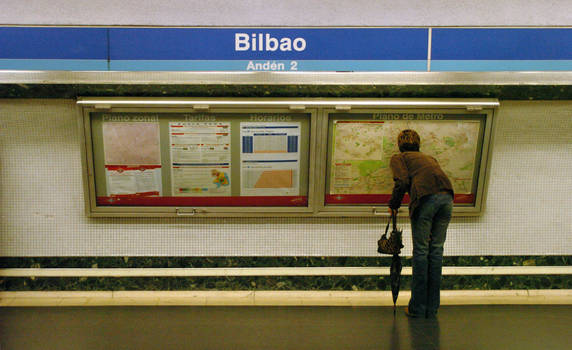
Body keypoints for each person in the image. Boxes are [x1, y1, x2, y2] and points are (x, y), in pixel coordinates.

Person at [388, 129, 454, 318]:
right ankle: (431, 308)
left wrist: (393, 205)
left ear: (400, 144)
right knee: (436, 251)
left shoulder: (399, 158)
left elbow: (401, 182)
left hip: (426, 200)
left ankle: (417, 307)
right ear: (418, 143)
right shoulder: (429, 158)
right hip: (447, 199)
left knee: (421, 252)